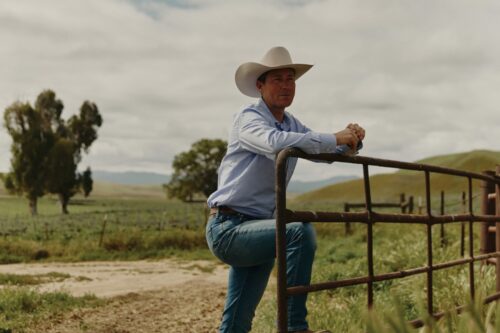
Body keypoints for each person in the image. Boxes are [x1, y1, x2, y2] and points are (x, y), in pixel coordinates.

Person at [206, 46, 365, 333]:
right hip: (229, 228)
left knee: (237, 322)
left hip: (260, 228)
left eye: (290, 79)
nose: (285, 85)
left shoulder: (292, 124)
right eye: (277, 79)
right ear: (260, 86)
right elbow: (274, 143)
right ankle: (295, 327)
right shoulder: (248, 119)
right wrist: (333, 137)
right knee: (299, 231)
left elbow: (321, 149)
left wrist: (351, 140)